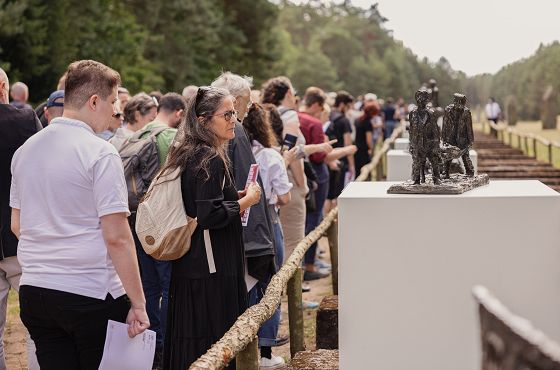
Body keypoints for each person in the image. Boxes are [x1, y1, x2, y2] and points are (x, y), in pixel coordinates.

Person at [10, 60, 149, 369]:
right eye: (113, 102)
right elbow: (117, 238)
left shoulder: (26, 150)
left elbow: (17, 224)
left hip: (36, 289)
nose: (116, 111)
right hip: (89, 290)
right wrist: (138, 302)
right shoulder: (100, 152)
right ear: (94, 101)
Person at [162, 86, 261, 369]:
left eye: (234, 113)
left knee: (196, 338)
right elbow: (209, 214)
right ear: (204, 120)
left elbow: (202, 202)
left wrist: (235, 196)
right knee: (212, 339)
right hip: (210, 267)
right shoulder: (209, 157)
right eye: (227, 114)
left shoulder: (191, 151)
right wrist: (248, 200)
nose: (234, 120)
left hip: (196, 263)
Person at [128, 93, 184, 368]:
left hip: (136, 220)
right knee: (168, 286)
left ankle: (151, 346)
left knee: (148, 287)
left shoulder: (137, 135)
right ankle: (168, 347)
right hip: (163, 223)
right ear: (178, 113)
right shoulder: (171, 137)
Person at [211, 72, 277, 303]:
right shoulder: (234, 128)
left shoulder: (204, 126)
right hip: (236, 229)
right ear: (236, 101)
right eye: (247, 102)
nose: (249, 108)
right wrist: (258, 242)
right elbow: (246, 182)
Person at [243, 103, 295, 368]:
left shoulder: (238, 153)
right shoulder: (270, 156)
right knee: (271, 283)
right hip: (268, 220)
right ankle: (265, 350)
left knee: (249, 282)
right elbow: (284, 197)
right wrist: (285, 164)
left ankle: (247, 344)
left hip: (240, 221)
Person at [0, 67, 40, 370]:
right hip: (21, 233)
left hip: (19, 232)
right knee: (39, 326)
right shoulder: (25, 120)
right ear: (5, 87)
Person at [325, 91, 355, 210]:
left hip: (328, 156)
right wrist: (352, 165)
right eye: (348, 106)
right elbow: (348, 144)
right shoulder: (344, 121)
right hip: (341, 159)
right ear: (342, 104)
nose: (348, 109)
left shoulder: (329, 114)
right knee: (338, 194)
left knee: (328, 194)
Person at [409, 88, 441, 185]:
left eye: (424, 98)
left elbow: (436, 131)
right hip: (417, 143)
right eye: (419, 98)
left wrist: (436, 145)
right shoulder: (412, 113)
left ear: (427, 100)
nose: (421, 100)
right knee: (417, 162)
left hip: (430, 143)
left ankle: (436, 179)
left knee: (434, 161)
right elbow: (411, 130)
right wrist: (411, 144)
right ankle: (416, 180)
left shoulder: (431, 113)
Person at [442, 93, 474, 177]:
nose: (462, 106)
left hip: (462, 137)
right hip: (450, 137)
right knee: (448, 156)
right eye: (460, 103)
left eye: (463, 104)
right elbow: (444, 125)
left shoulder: (466, 112)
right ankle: (446, 172)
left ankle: (470, 171)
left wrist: (471, 140)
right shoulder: (448, 110)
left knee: (465, 156)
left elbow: (469, 127)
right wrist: (443, 138)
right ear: (455, 102)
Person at [354, 102, 380, 175]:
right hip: (364, 149)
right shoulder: (367, 123)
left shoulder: (358, 120)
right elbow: (369, 140)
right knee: (365, 171)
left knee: (358, 171)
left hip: (357, 147)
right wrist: (371, 149)